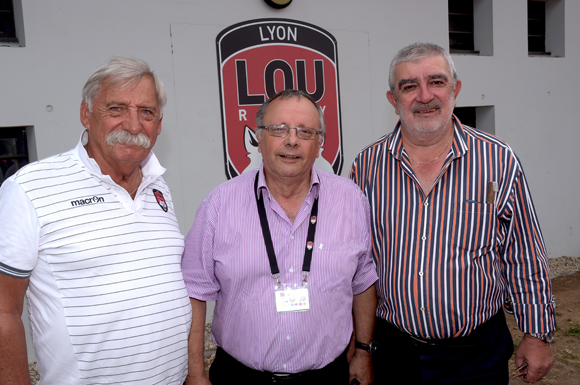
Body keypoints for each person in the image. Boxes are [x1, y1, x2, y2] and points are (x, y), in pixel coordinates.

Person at [350, 42, 556, 384]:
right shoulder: (367, 167)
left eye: (437, 81)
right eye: (409, 86)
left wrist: (537, 333)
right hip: (394, 354)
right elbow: (357, 264)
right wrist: (361, 347)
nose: (425, 95)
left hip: (476, 357)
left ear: (455, 90)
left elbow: (524, 253)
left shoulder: (497, 160)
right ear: (393, 100)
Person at [0, 57, 191, 384]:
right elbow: (4, 309)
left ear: (159, 124)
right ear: (86, 115)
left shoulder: (158, 185)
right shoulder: (29, 188)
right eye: (116, 109)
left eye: (146, 112)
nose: (133, 125)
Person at [181, 89, 378, 385]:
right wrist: (195, 373)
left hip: (327, 377)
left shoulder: (350, 200)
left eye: (305, 131)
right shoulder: (219, 205)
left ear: (320, 142)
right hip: (241, 377)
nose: (292, 140)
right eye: (279, 129)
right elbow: (195, 292)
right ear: (259, 139)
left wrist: (363, 351)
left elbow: (363, 281)